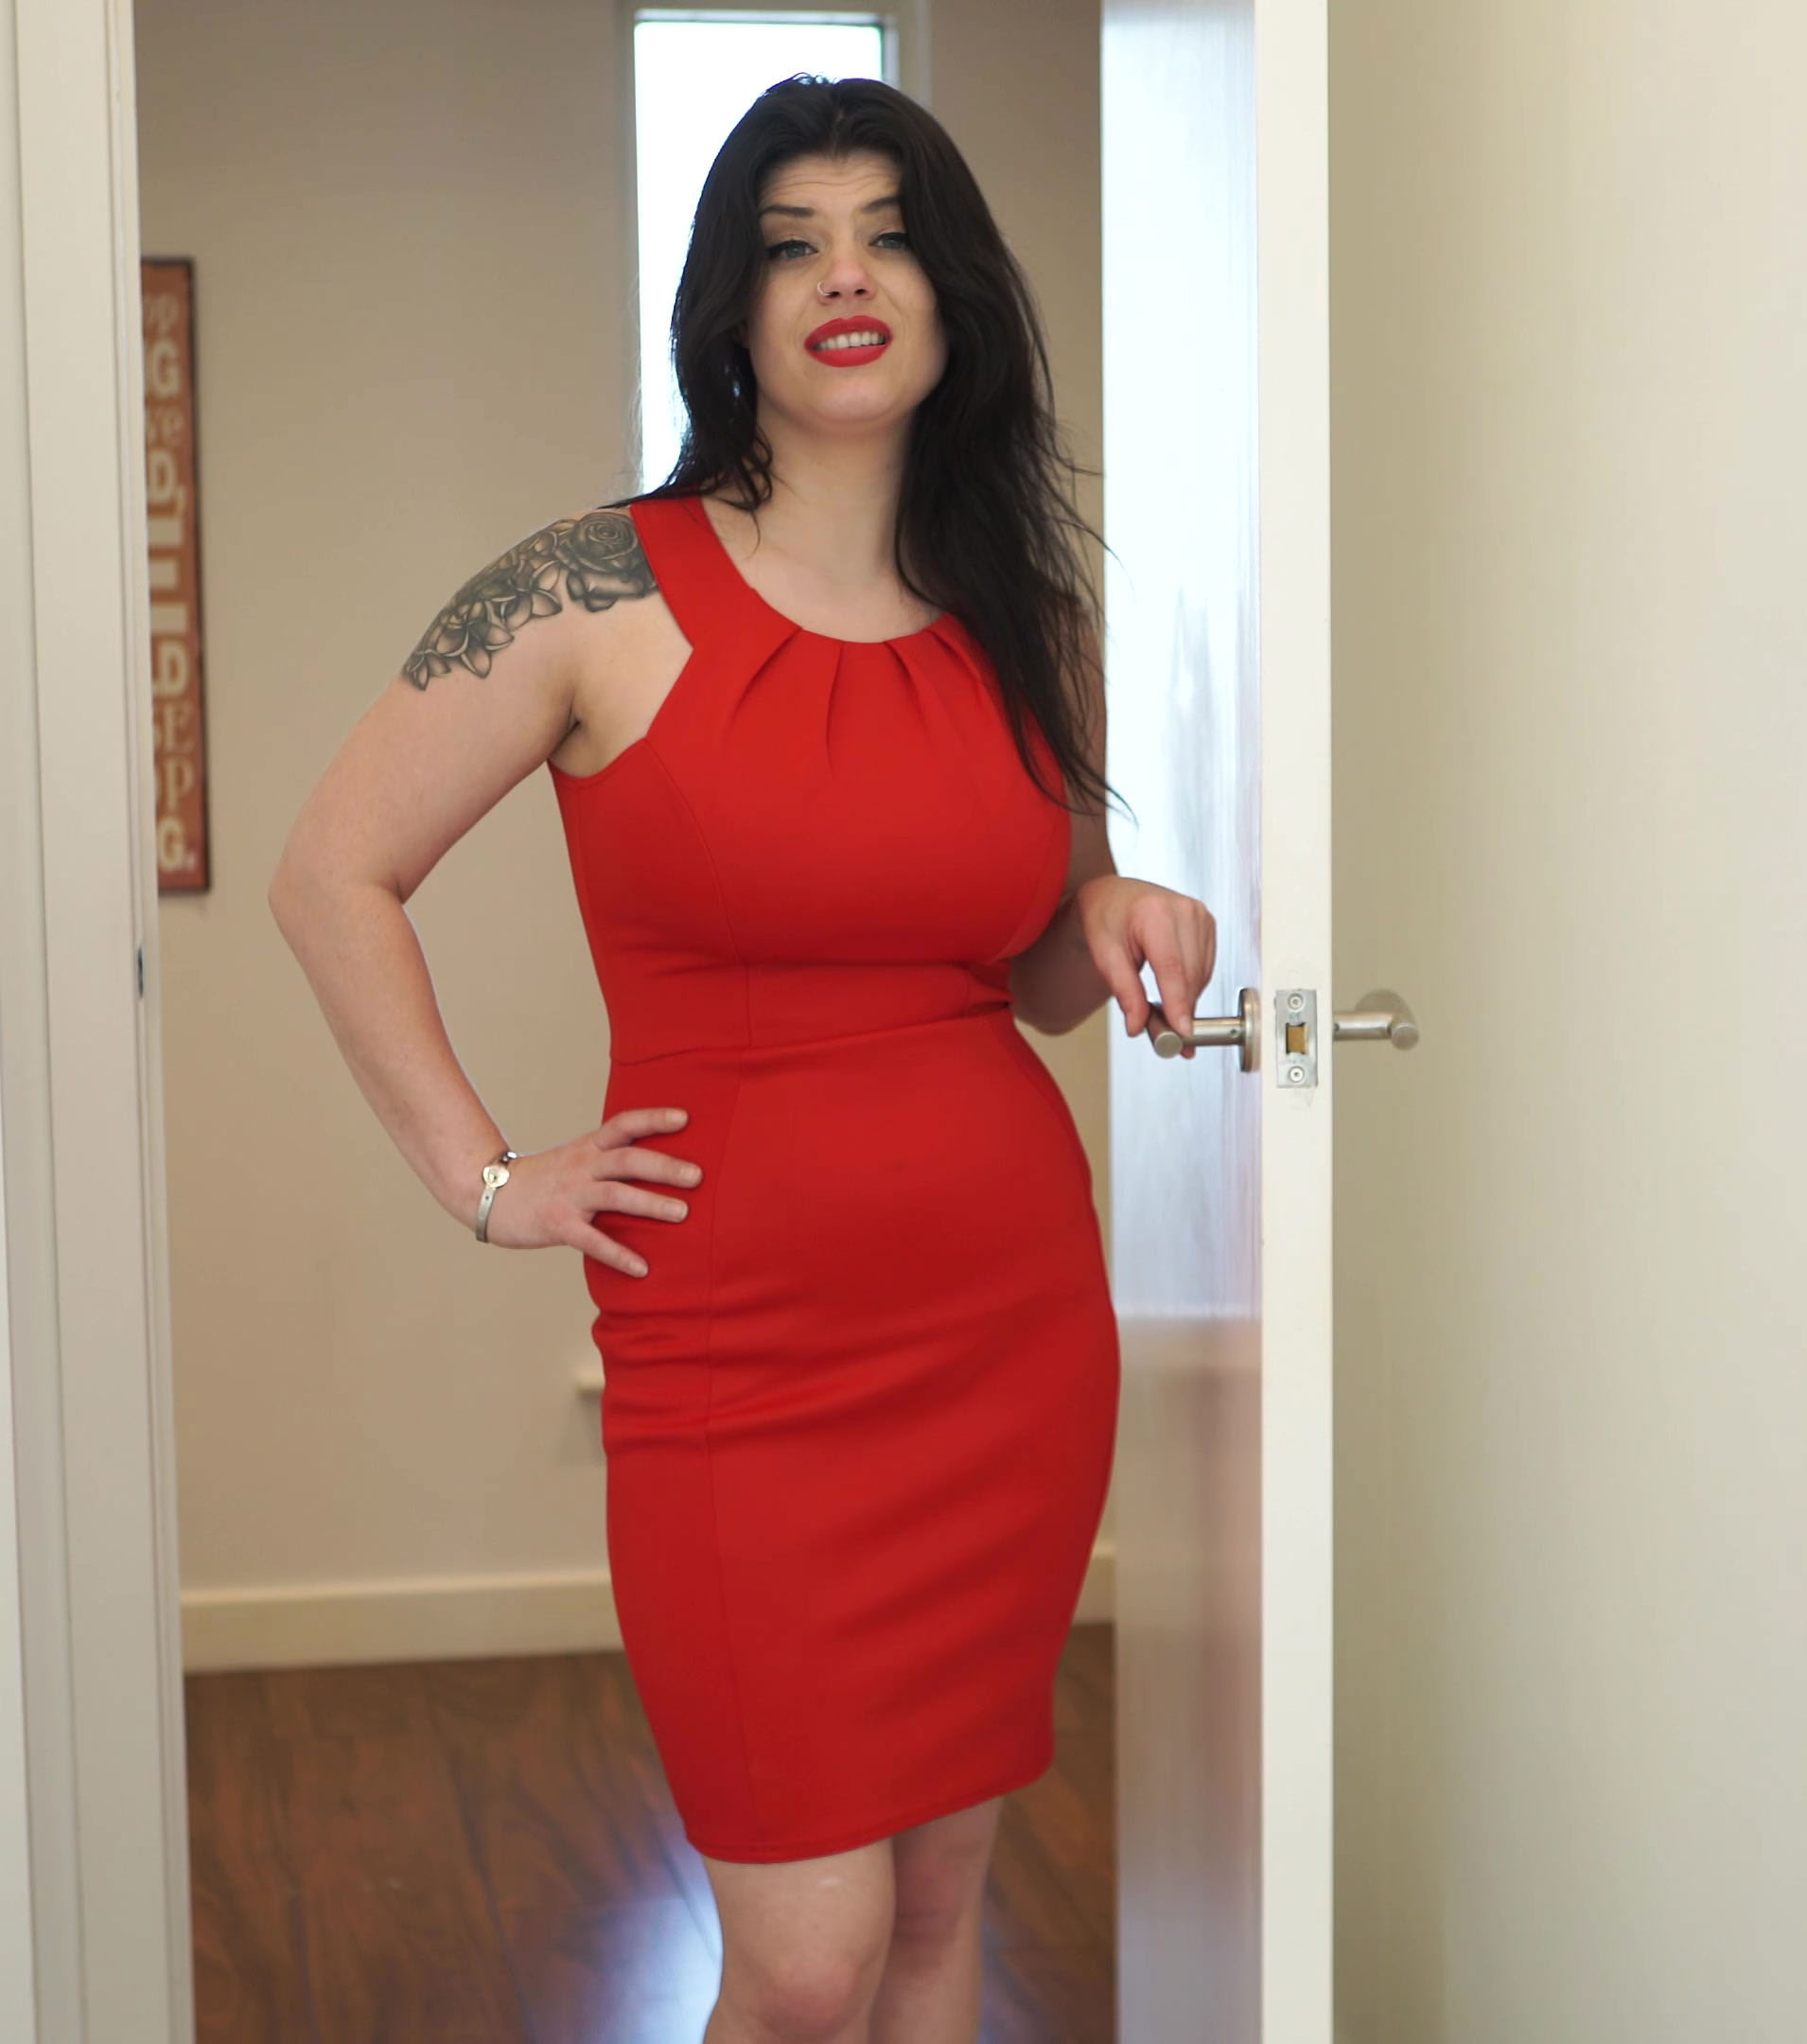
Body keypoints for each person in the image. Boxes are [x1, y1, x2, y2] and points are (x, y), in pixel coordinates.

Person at [269, 73, 1215, 2044]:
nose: (845, 277)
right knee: (806, 1964)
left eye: (889, 236)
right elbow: (330, 872)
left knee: (942, 1913)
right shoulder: (590, 586)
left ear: (954, 297)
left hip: (1006, 1341)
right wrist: (486, 1177)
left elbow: (1036, 971)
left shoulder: (1031, 619)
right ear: (733, 307)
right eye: (794, 245)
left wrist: (1116, 908)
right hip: (737, 1365)